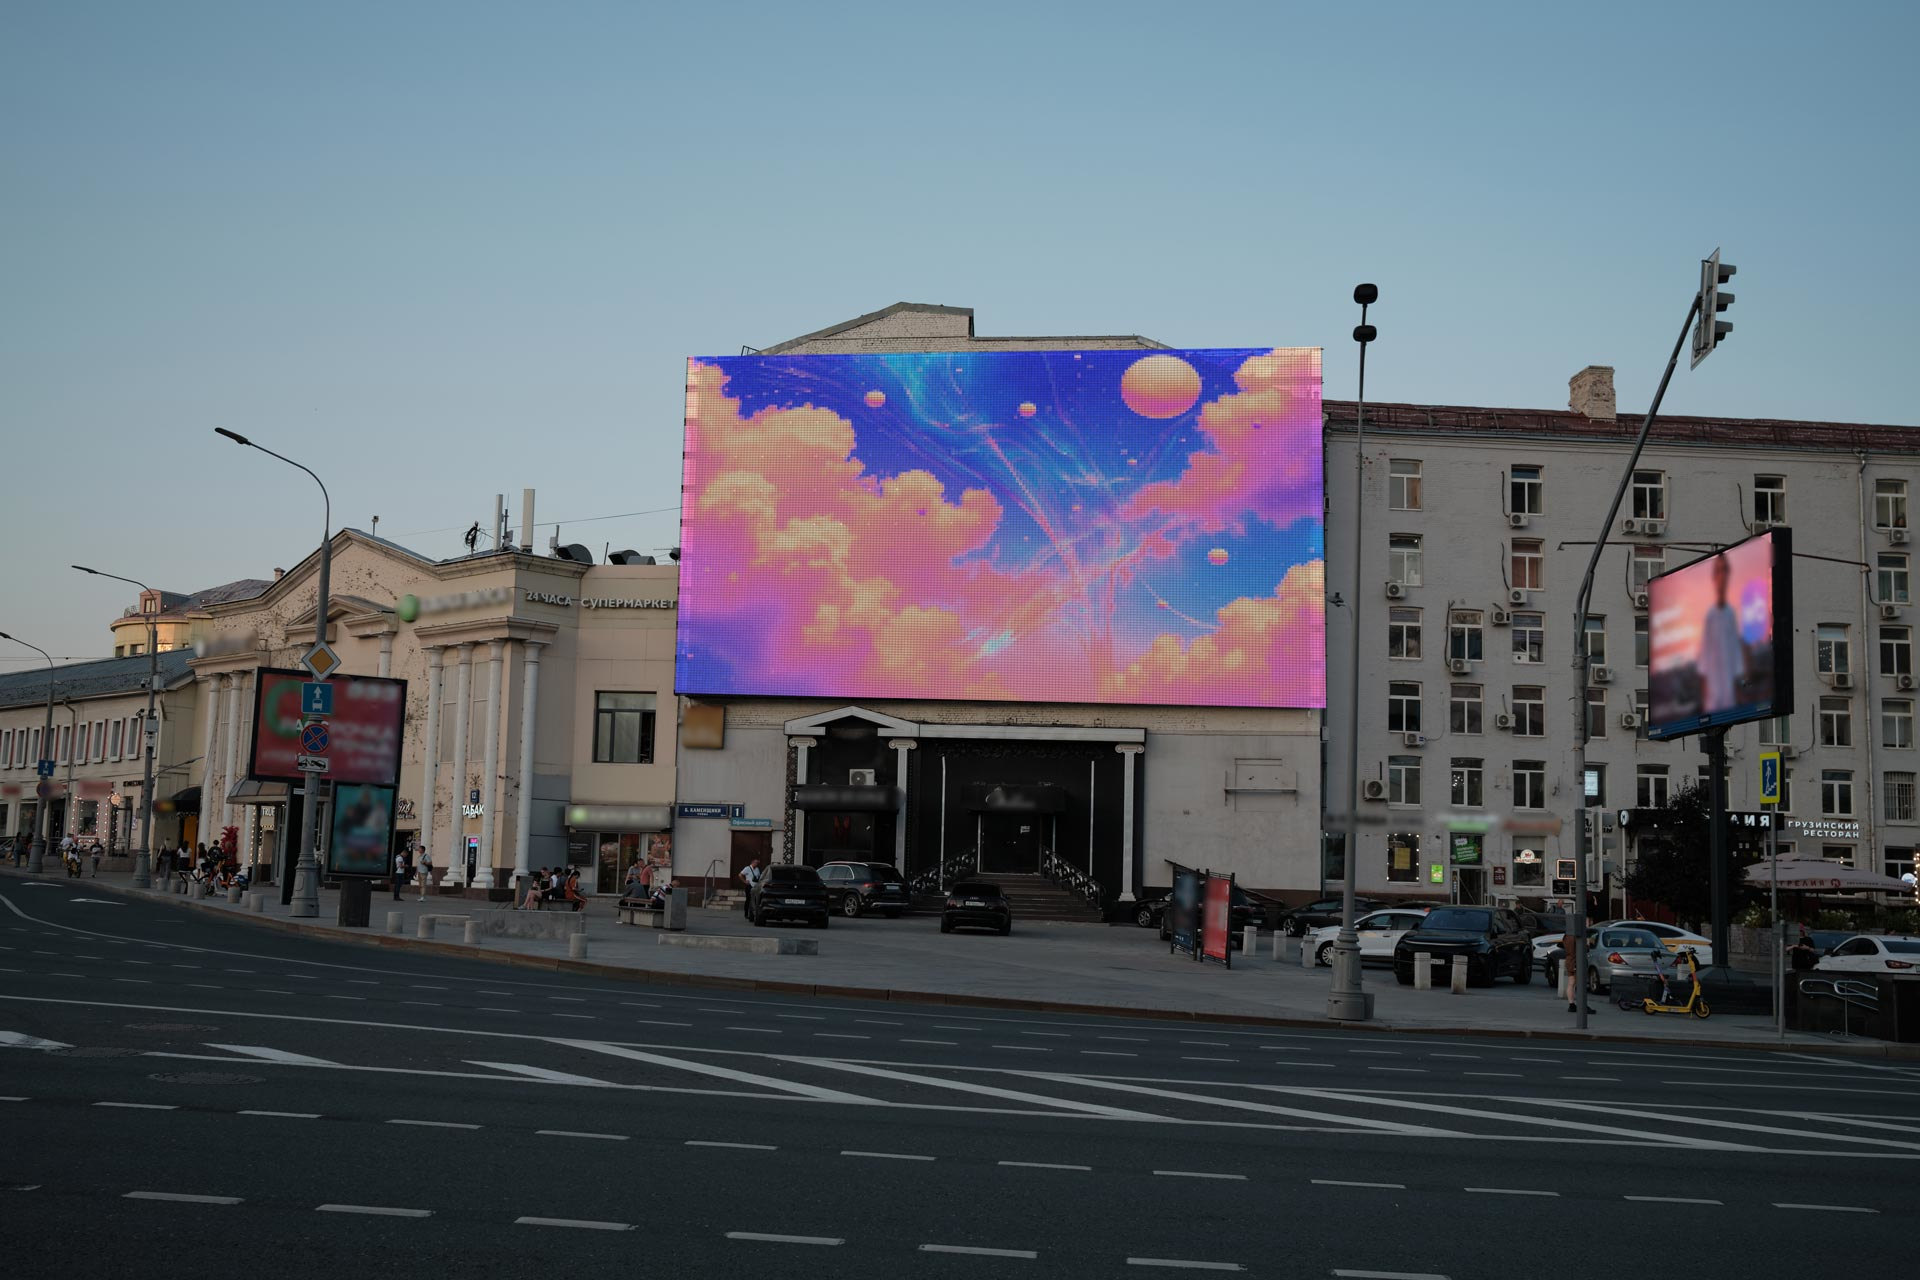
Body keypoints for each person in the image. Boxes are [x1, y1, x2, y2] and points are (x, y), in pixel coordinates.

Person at [1695, 556, 1746, 713]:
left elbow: (1737, 661)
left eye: (1725, 570)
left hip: (1729, 700)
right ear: (1714, 577)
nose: (1722, 576)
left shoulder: (1732, 614)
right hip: (1713, 701)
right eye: (1718, 571)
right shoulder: (1709, 615)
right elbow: (1703, 664)